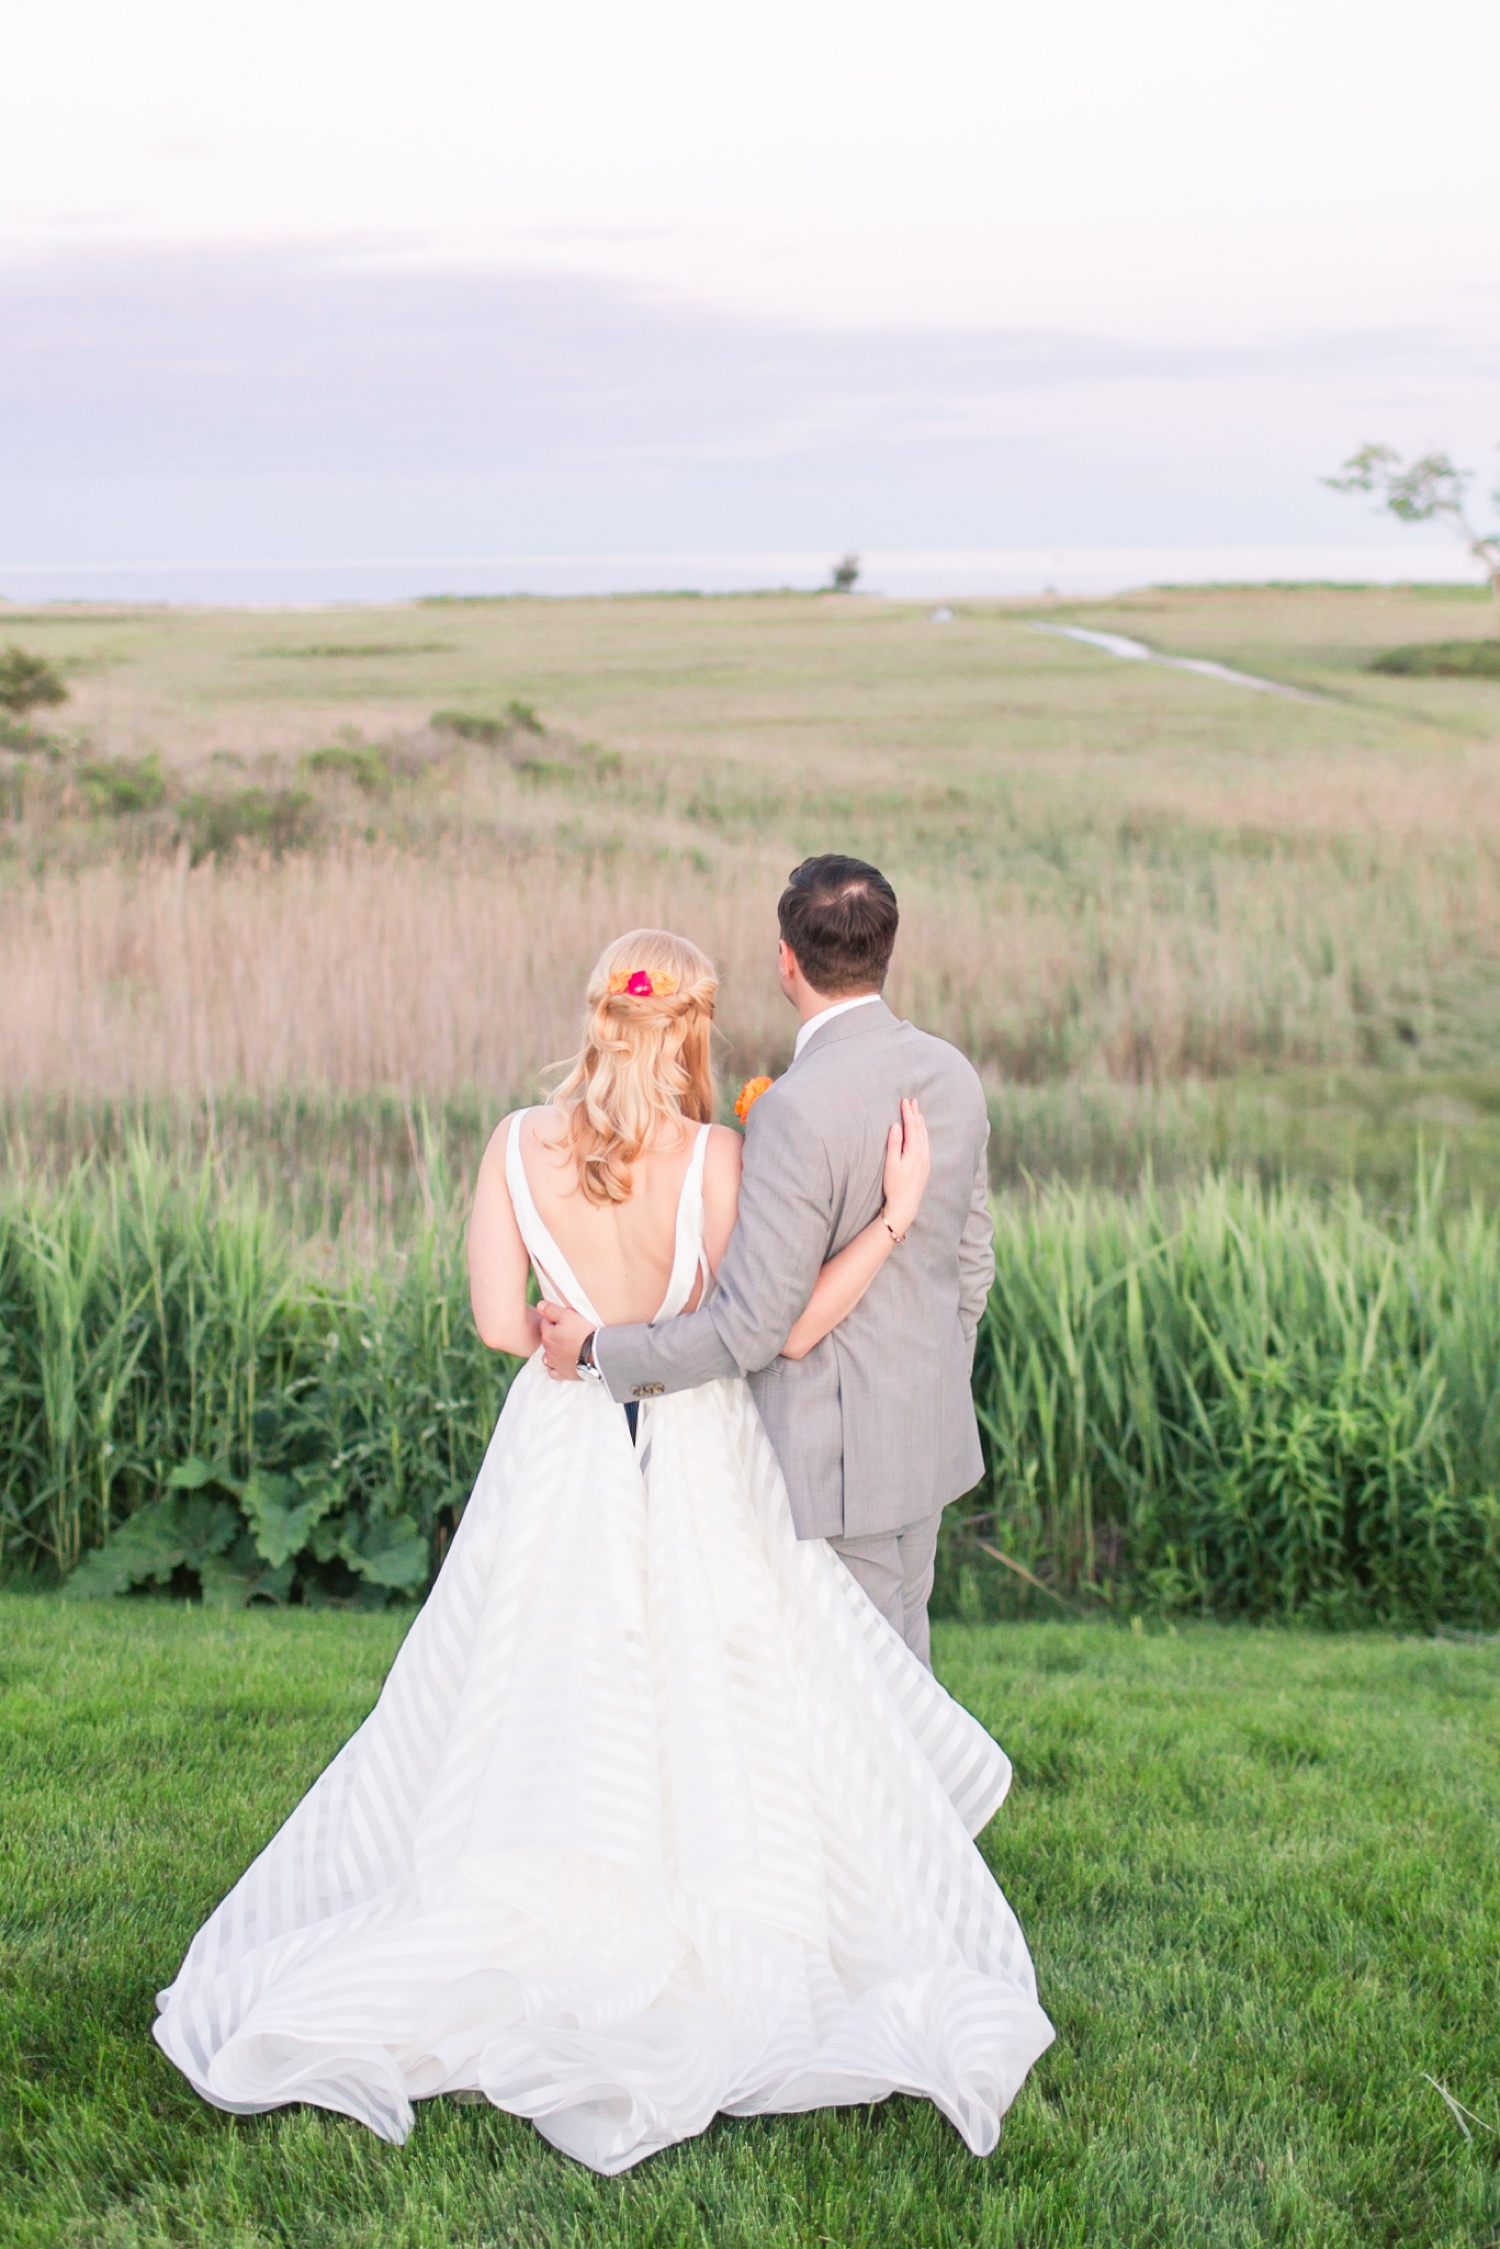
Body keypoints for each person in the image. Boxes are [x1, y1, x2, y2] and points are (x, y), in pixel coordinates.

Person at [152, 924, 1052, 2176]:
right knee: (727, 1669)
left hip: (560, 1445)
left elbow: (489, 1321)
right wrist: (896, 1217)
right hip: (696, 1447)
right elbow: (771, 1331)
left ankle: (543, 1891)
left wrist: (574, 1338)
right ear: (693, 1027)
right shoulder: (719, 1156)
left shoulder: (514, 1144)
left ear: (596, 1019)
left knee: (534, 1668)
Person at [541, 854, 994, 1671]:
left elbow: (752, 1326)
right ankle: (925, 1800)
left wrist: (601, 1352)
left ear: (786, 958)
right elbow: (973, 1263)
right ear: (886, 949)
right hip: (927, 1430)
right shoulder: (952, 1074)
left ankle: (897, 1802)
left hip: (836, 1457)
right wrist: (931, 1374)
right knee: (907, 1659)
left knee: (861, 1683)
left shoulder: (794, 1108)